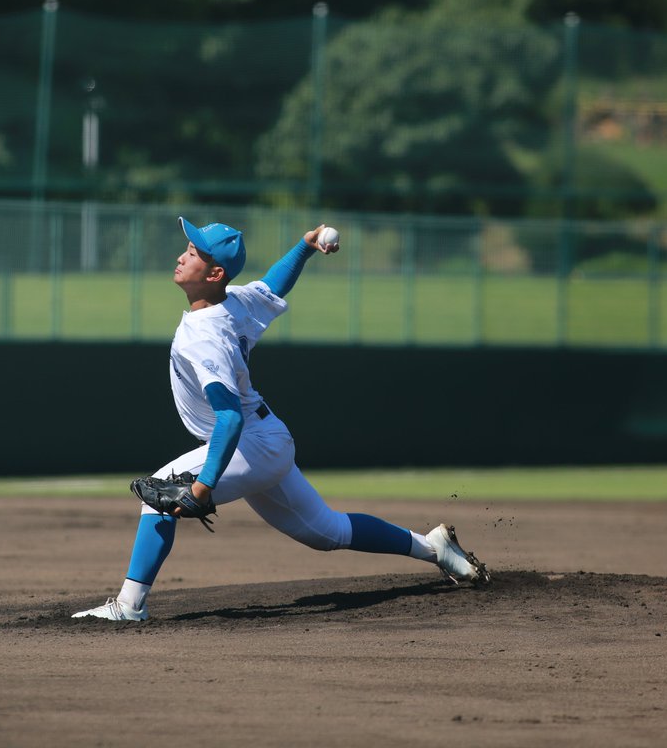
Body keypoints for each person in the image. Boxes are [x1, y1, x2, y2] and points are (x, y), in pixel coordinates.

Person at [72, 218, 489, 621]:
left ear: (214, 273)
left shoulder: (205, 336)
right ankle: (434, 548)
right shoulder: (233, 301)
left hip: (251, 440)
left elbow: (229, 419)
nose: (183, 256)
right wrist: (305, 247)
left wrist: (202, 487)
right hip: (266, 438)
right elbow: (273, 284)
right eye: (187, 247)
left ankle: (129, 606)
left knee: (158, 498)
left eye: (194, 252)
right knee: (329, 532)